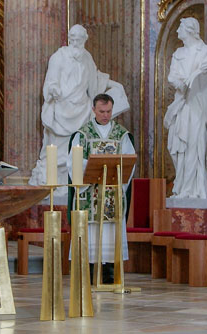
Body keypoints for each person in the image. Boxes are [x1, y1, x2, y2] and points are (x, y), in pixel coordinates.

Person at [29, 24, 129, 198]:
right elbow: (51, 80)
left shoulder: (86, 57)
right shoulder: (58, 57)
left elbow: (95, 80)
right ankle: (56, 183)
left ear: (85, 40)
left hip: (82, 109)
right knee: (58, 149)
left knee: (78, 149)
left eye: (80, 40)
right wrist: (53, 90)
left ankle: (76, 185)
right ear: (69, 39)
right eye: (73, 39)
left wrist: (114, 85)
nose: (76, 43)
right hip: (62, 110)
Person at [67, 94, 135, 283]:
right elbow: (74, 161)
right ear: (94, 110)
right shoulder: (83, 134)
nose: (106, 115)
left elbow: (130, 162)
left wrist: (117, 173)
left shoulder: (122, 135)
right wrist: (91, 168)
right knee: (90, 231)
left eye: (109, 111)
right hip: (89, 193)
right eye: (102, 111)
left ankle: (109, 272)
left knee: (111, 231)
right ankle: (87, 271)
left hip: (112, 193)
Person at [164, 17, 207, 199]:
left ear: (190, 30)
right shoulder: (178, 53)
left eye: (180, 28)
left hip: (199, 105)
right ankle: (182, 187)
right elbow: (172, 77)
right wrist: (181, 82)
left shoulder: (206, 52)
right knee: (177, 145)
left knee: (195, 146)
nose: (176, 32)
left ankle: (196, 190)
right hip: (183, 103)